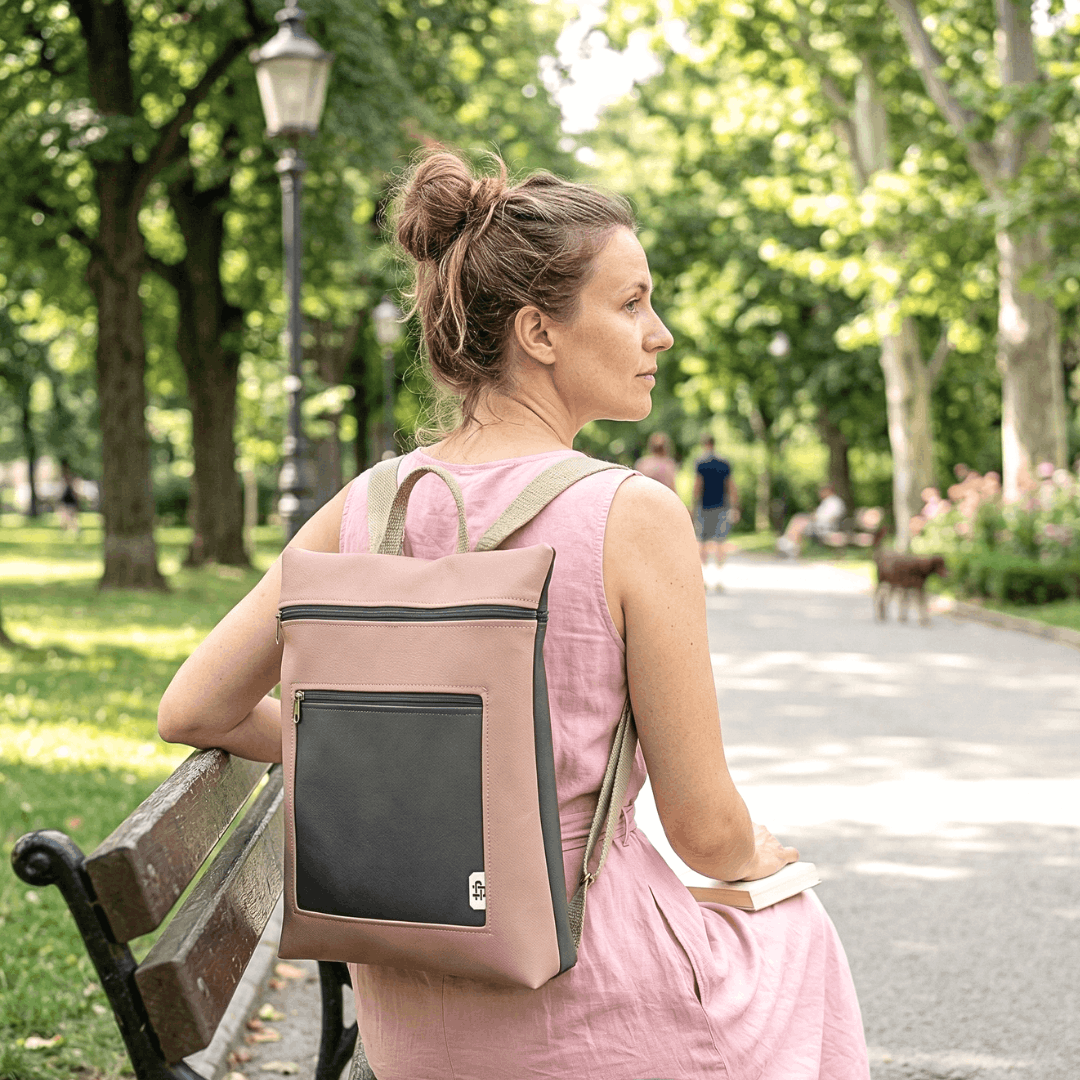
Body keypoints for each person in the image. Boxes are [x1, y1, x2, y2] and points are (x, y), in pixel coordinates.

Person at [157, 150, 869, 1079]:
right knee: (798, 930)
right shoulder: (631, 515)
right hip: (588, 1006)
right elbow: (703, 830)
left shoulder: (368, 505)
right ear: (538, 331)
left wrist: (390, 755)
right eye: (631, 303)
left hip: (412, 1026)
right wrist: (757, 858)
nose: (660, 335)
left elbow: (195, 708)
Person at [693, 434, 738, 570]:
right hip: (721, 505)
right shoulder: (724, 462)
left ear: (704, 444)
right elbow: (731, 485)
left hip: (704, 505)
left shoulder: (700, 462)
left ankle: (703, 571)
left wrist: (693, 505)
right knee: (720, 540)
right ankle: (719, 572)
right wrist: (735, 506)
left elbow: (698, 485)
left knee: (702, 540)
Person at [777, 484, 847, 558]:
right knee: (798, 520)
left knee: (799, 522)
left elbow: (827, 517)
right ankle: (789, 546)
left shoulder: (834, 502)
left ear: (828, 491)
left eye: (821, 491)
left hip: (825, 527)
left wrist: (813, 517)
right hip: (820, 525)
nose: (820, 494)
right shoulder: (829, 501)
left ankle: (788, 547)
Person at [57, 459, 80, 537]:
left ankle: (74, 529)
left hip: (69, 498)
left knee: (71, 516)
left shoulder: (68, 477)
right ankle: (69, 529)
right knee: (66, 516)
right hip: (66, 498)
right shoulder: (65, 477)